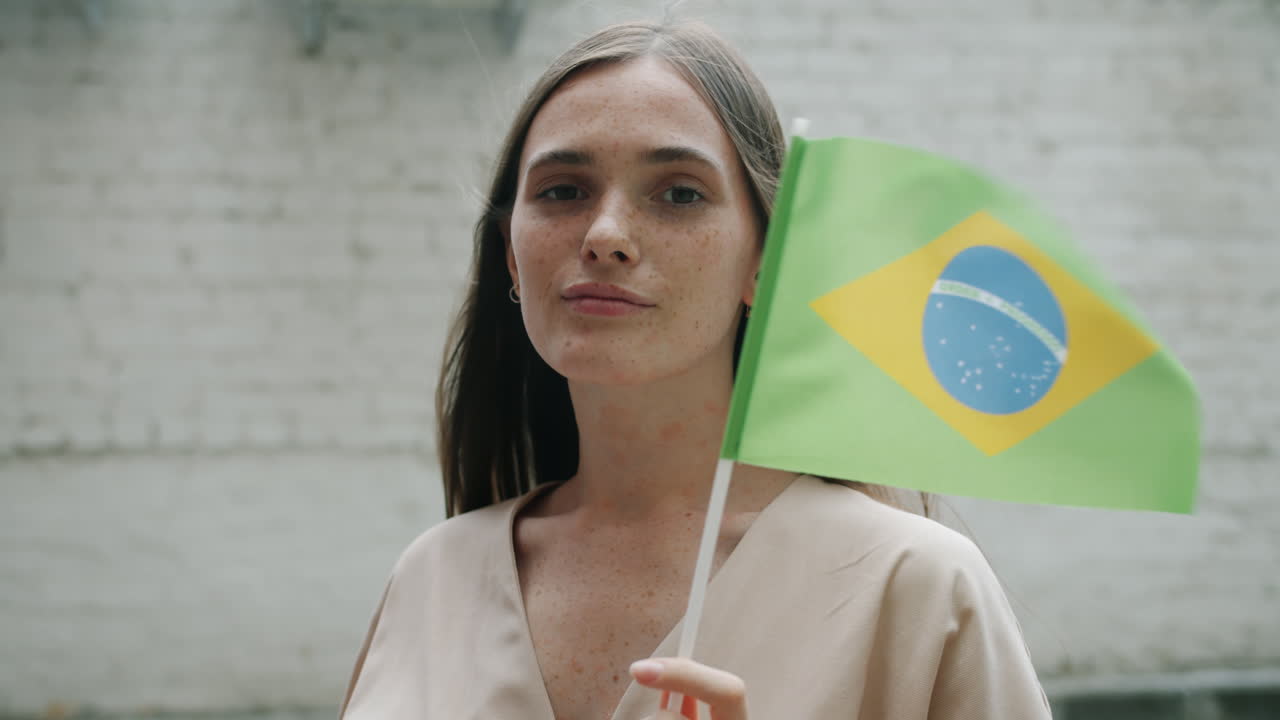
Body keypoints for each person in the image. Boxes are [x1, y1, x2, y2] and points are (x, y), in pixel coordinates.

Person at [339, 18, 1053, 720]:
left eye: (679, 193)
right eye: (563, 190)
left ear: (763, 263)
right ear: (510, 255)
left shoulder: (917, 589)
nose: (606, 235)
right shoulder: (433, 578)